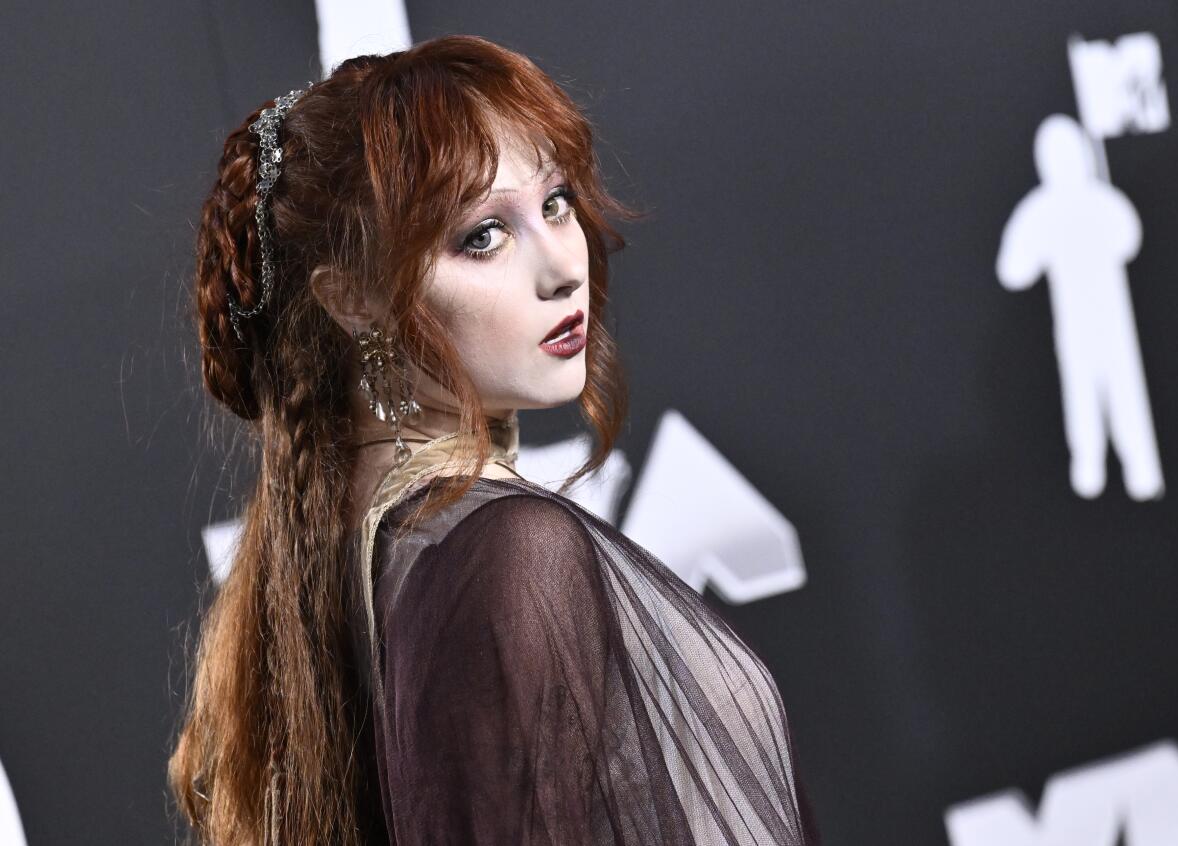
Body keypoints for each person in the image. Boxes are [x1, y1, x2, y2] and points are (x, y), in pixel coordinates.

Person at [169, 34, 819, 846]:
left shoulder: (351, 559)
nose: (561, 266)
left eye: (555, 203)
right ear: (356, 302)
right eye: (482, 236)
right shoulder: (511, 555)